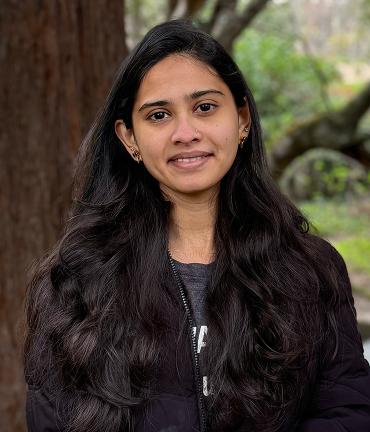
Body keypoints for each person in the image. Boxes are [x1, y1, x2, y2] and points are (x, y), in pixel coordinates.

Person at [24, 19, 370, 432]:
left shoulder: (311, 269)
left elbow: (347, 411)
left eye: (205, 107)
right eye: (159, 115)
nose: (185, 133)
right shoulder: (76, 279)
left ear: (241, 118)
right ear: (129, 137)